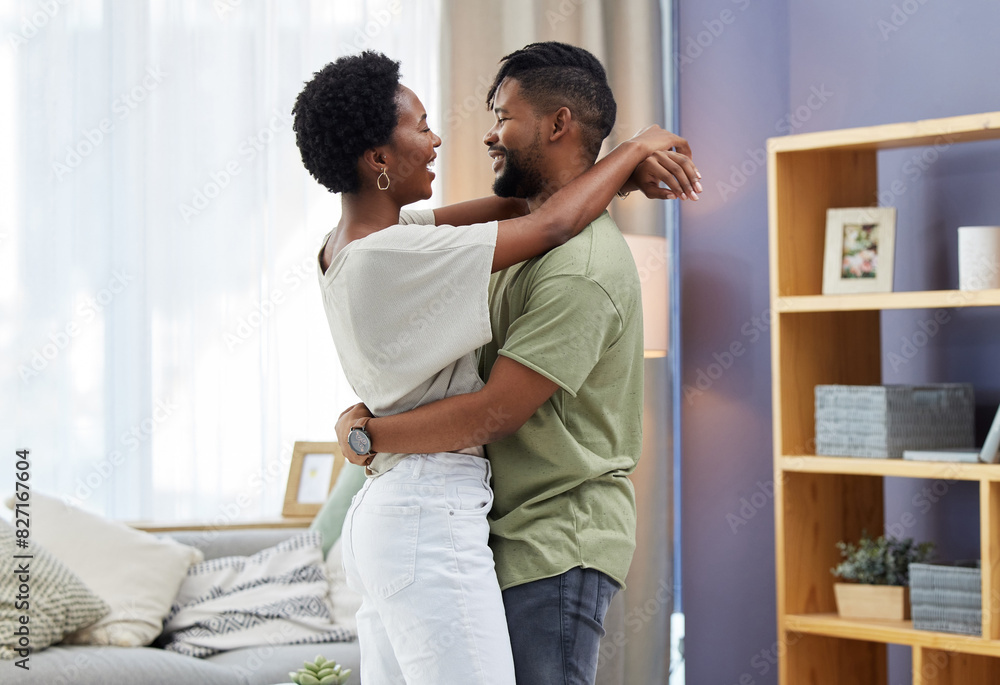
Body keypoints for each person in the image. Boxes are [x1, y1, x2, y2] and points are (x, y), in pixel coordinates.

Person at [293, 49, 697, 685]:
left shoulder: (359, 244)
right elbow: (549, 222)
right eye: (421, 127)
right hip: (430, 508)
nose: (447, 138)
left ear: (558, 123)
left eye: (501, 115)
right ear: (377, 159)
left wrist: (366, 434)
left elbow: (534, 217)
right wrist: (637, 147)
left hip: (482, 526)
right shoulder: (397, 252)